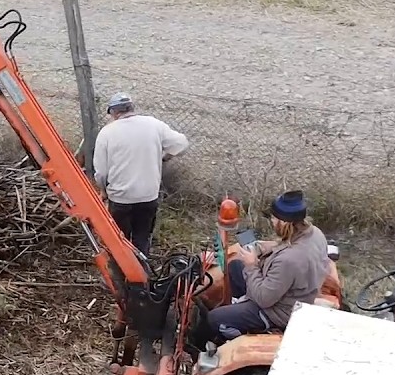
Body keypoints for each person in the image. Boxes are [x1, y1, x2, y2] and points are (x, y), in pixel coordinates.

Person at [206, 190, 331, 341]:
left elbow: (264, 299)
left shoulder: (289, 260)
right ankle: (239, 307)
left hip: (276, 311)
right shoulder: (314, 234)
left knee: (214, 318)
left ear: (284, 222)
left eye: (273, 218)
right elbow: (287, 245)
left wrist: (252, 265)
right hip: (289, 292)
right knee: (235, 266)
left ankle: (237, 338)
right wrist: (263, 247)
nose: (271, 221)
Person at [92, 92, 189, 257]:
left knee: (119, 241)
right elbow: (182, 144)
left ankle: (122, 274)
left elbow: (101, 172)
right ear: (132, 108)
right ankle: (141, 270)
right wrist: (165, 157)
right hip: (148, 196)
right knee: (142, 238)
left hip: (120, 199)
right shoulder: (154, 125)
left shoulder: (107, 133)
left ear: (113, 112)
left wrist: (103, 190)